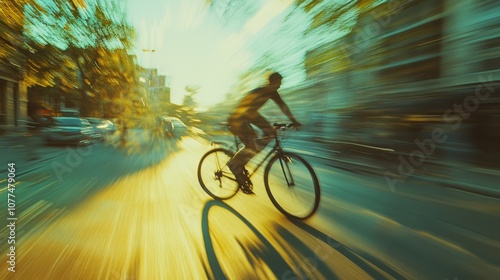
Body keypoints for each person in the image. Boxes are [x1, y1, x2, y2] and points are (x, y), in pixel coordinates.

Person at [227, 72, 301, 194]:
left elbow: (283, 106)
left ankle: (242, 161)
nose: (279, 86)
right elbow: (243, 109)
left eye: (280, 84)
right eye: (277, 83)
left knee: (269, 134)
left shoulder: (273, 93)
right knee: (252, 144)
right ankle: (234, 165)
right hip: (238, 117)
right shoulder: (258, 92)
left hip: (250, 115)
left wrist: (294, 121)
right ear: (270, 83)